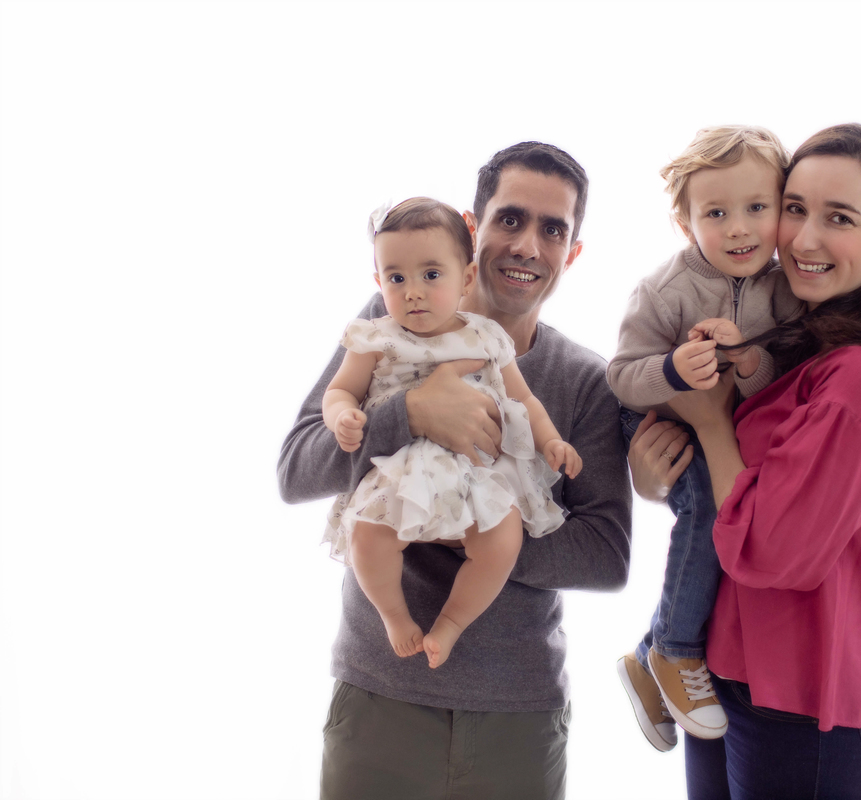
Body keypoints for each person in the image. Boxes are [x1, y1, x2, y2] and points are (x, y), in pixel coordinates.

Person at [278, 143, 632, 800]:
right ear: (473, 231)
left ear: (572, 253)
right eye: (510, 219)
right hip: (379, 694)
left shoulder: (584, 381)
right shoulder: (389, 317)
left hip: (517, 715)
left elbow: (608, 556)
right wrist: (407, 413)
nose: (527, 244)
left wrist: (466, 528)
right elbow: (296, 471)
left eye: (552, 229)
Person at [659, 123, 861, 798]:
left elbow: (771, 549)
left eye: (839, 218)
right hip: (732, 671)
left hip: (802, 708)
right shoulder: (807, 344)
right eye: (794, 208)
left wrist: (710, 423)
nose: (802, 239)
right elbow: (731, 494)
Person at [321, 196, 582, 670]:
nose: (413, 291)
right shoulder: (375, 337)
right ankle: (394, 616)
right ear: (379, 283)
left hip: (473, 474)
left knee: (502, 539)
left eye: (431, 275)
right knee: (367, 538)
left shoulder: (486, 337)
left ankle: (452, 622)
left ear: (465, 278)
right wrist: (343, 415)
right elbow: (340, 390)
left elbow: (525, 400)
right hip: (398, 471)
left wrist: (550, 441)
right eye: (397, 278)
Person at [607, 126, 801, 748]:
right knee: (714, 511)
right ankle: (678, 650)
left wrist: (749, 363)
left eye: (756, 209)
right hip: (659, 417)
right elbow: (621, 374)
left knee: (732, 524)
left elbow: (785, 373)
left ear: (780, 209)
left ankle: (647, 654)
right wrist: (670, 370)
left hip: (727, 424)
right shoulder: (666, 290)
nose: (739, 228)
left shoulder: (785, 291)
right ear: (686, 223)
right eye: (716, 213)